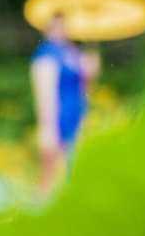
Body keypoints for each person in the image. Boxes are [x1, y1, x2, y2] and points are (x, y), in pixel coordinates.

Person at [30, 13, 98, 194]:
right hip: (57, 119)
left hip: (76, 117)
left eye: (62, 25)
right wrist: (47, 127)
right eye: (55, 26)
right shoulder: (46, 54)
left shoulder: (73, 52)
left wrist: (91, 73)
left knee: (74, 171)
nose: (60, 30)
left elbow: (84, 89)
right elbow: (44, 93)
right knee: (51, 175)